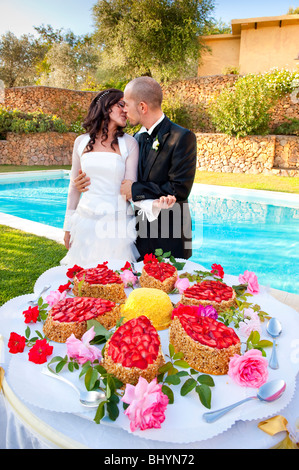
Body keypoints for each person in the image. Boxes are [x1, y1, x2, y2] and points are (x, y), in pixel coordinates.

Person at [74, 77, 197, 261]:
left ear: (142, 107)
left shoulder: (181, 137)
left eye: (126, 104)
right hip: (138, 236)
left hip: (169, 236)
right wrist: (84, 182)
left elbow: (179, 189)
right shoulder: (134, 140)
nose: (124, 109)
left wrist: (134, 190)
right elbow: (119, 178)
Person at [61, 88, 175, 266]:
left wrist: (154, 204)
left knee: (118, 280)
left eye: (126, 106)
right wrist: (68, 227)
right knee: (84, 280)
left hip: (116, 226)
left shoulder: (129, 143)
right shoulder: (80, 141)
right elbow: (74, 188)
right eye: (121, 105)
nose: (125, 110)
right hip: (85, 222)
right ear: (105, 107)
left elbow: (130, 188)